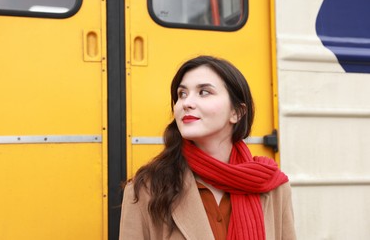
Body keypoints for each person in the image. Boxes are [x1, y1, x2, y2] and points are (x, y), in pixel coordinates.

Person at [119, 55, 296, 240]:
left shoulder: (274, 187)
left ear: (236, 112)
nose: (186, 103)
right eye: (182, 94)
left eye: (204, 92)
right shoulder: (146, 189)